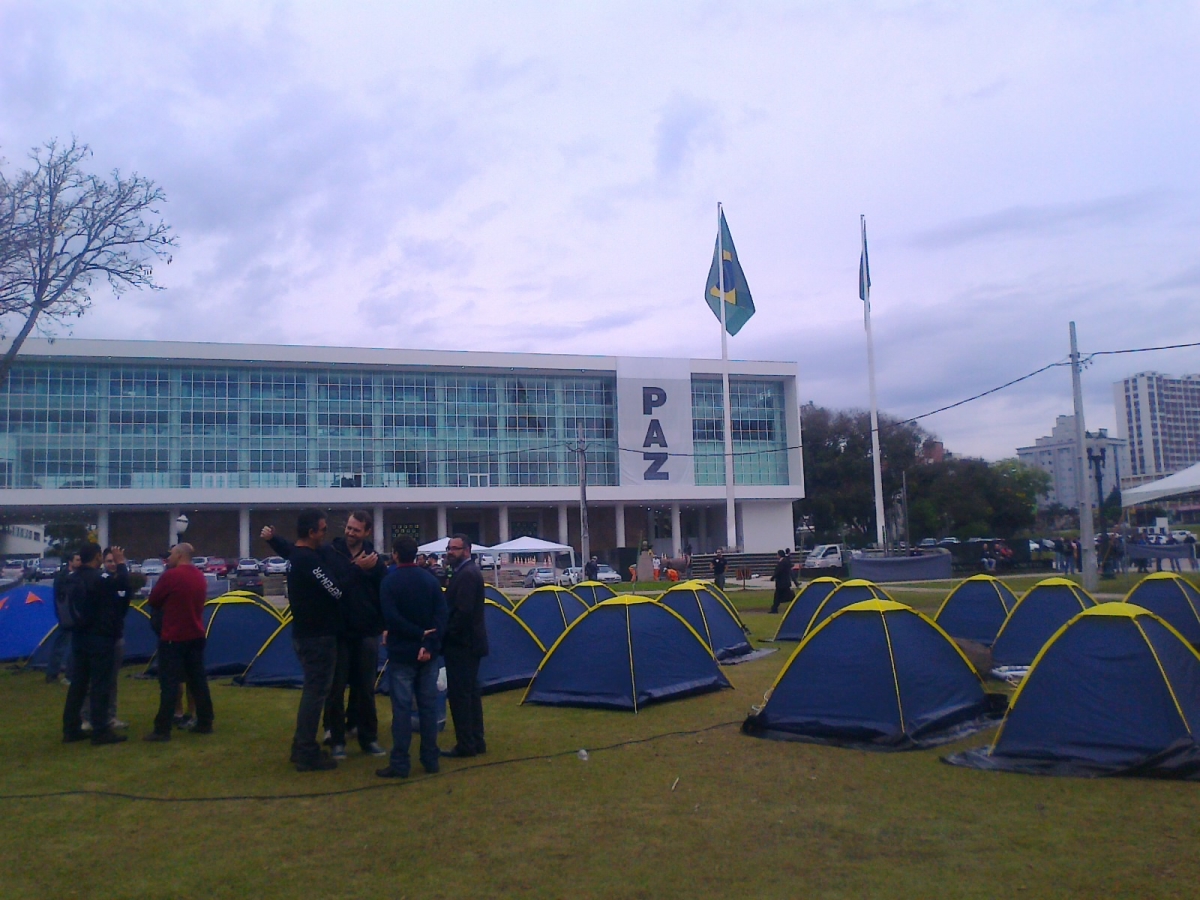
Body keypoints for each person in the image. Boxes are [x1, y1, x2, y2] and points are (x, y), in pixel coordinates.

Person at [263, 512, 386, 759]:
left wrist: (384, 624)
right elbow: (299, 553)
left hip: (366, 631)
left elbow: (383, 592)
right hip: (338, 631)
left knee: (365, 689)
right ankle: (336, 738)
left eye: (356, 530)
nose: (350, 533)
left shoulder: (374, 559)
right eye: (349, 528)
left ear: (367, 532)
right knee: (335, 689)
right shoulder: (329, 551)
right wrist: (275, 540)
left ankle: (368, 738)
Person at [280, 508, 360, 772]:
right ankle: (305, 750)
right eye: (323, 529)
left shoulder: (296, 556)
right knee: (316, 694)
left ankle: (300, 745)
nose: (327, 534)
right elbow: (335, 590)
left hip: (306, 633)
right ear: (311, 532)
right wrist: (355, 568)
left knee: (313, 692)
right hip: (317, 636)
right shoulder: (307, 560)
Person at [376, 536, 447, 778]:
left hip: (402, 653)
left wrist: (415, 635)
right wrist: (427, 643)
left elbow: (391, 617)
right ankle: (430, 759)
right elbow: (440, 616)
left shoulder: (389, 582)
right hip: (428, 653)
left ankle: (400, 763)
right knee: (427, 708)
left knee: (402, 710)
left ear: (395, 554)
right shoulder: (430, 580)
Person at [143, 543, 214, 742]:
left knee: (169, 684)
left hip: (174, 637)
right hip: (196, 634)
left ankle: (162, 729)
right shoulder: (199, 576)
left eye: (172, 554)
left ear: (180, 555)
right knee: (198, 681)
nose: (169, 558)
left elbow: (154, 600)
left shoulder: (171, 576)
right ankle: (205, 721)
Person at [62, 544, 130, 746]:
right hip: (100, 637)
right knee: (101, 683)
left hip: (79, 636)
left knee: (79, 684)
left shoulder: (72, 578)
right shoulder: (98, 579)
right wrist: (121, 564)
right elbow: (122, 587)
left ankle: (71, 728)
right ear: (97, 557)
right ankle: (101, 730)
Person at [441, 533, 488, 758]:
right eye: (449, 548)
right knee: (470, 694)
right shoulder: (464, 572)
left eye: (455, 548)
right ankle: (476, 740)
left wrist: (447, 634)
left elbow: (464, 611)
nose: (451, 552)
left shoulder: (467, 574)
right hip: (468, 643)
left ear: (467, 550)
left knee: (461, 695)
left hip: (463, 644)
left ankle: (466, 744)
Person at [46, 552, 81, 684]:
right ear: (70, 561)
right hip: (68, 617)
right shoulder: (64, 578)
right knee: (65, 646)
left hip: (68, 616)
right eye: (77, 560)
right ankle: (60, 674)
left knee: (62, 646)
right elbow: (61, 599)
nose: (79, 562)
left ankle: (54, 673)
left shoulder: (65, 576)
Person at [769, 549, 791, 614]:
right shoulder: (784, 561)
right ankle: (774, 609)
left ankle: (774, 609)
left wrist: (773, 577)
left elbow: (779, 572)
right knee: (778, 596)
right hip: (783, 583)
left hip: (782, 583)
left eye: (777, 554)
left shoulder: (783, 562)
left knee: (778, 596)